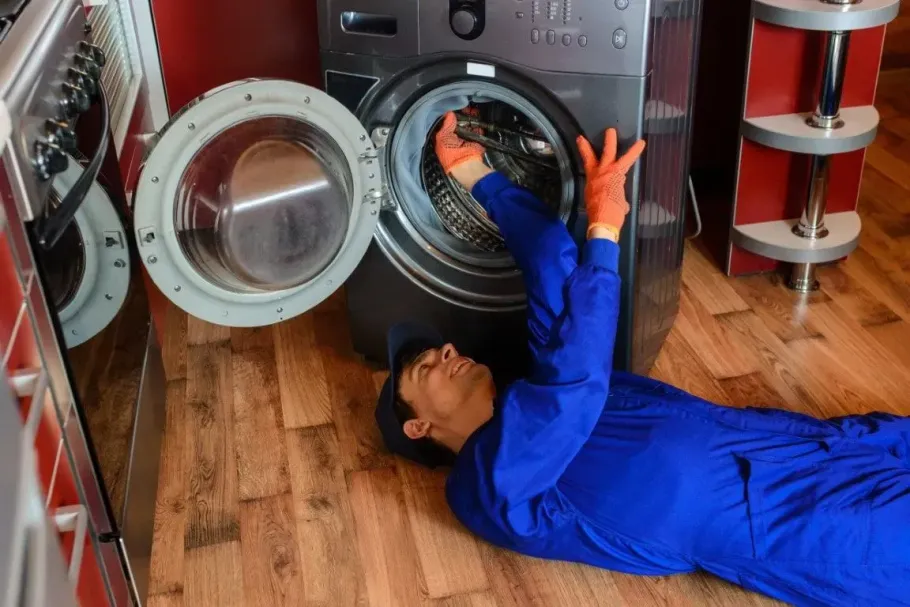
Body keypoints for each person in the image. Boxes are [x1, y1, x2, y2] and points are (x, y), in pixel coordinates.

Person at [374, 111, 910, 607]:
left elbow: (551, 261)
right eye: (426, 368)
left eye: (440, 349)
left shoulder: (538, 380)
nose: (448, 351)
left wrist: (475, 174)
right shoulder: (482, 488)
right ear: (419, 426)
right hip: (806, 528)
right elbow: (571, 392)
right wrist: (604, 232)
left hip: (812, 445)